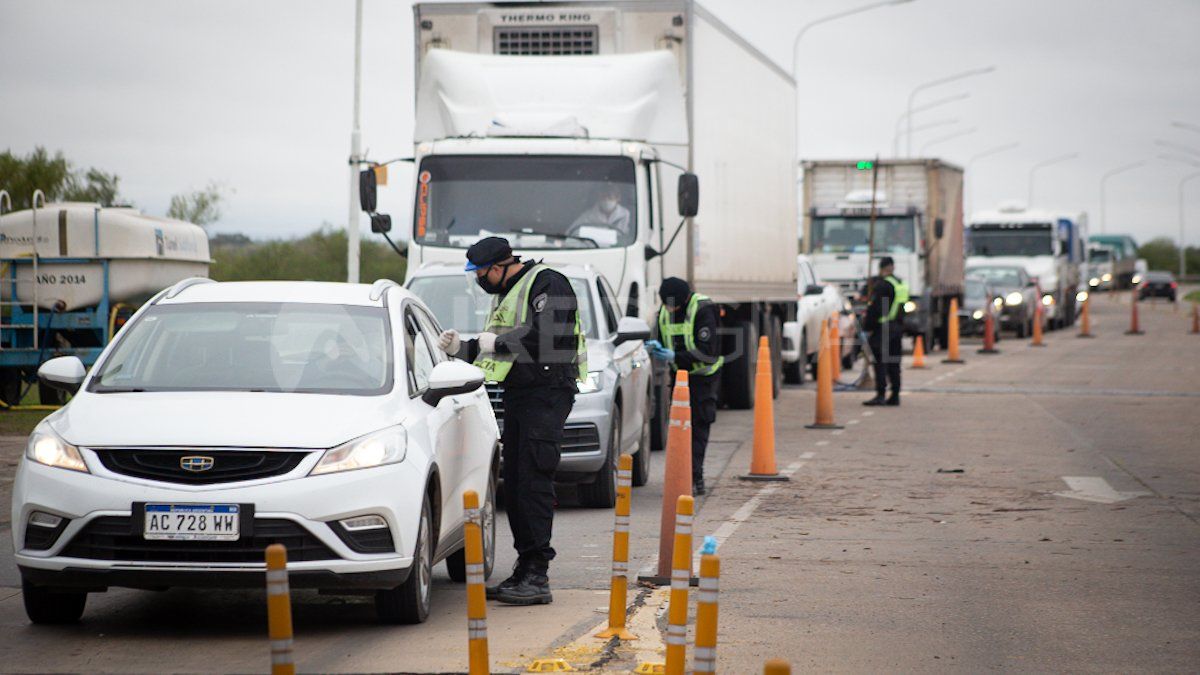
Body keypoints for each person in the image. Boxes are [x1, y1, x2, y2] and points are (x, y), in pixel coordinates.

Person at [436, 236, 586, 605]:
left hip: (548, 393)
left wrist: (490, 344)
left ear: (501, 265)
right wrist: (463, 348)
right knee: (517, 484)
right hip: (522, 395)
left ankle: (537, 575)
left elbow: (545, 336)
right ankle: (525, 569)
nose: (479, 280)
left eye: (482, 272)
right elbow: (501, 345)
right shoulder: (510, 292)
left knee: (533, 481)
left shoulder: (550, 283)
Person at [652, 277, 723, 495]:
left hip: (704, 377)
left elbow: (707, 350)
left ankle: (696, 476)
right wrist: (656, 347)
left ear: (684, 299)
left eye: (672, 304)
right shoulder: (664, 313)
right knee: (680, 427)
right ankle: (683, 474)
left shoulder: (703, 309)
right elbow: (662, 338)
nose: (668, 309)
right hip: (680, 378)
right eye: (665, 304)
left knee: (699, 425)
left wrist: (675, 355)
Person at [863, 256, 907, 406]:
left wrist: (867, 327)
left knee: (880, 362)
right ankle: (895, 394)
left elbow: (876, 309)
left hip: (883, 328)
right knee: (894, 361)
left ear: (882, 269)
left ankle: (880, 394)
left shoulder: (882, 286)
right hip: (897, 327)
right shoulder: (900, 284)